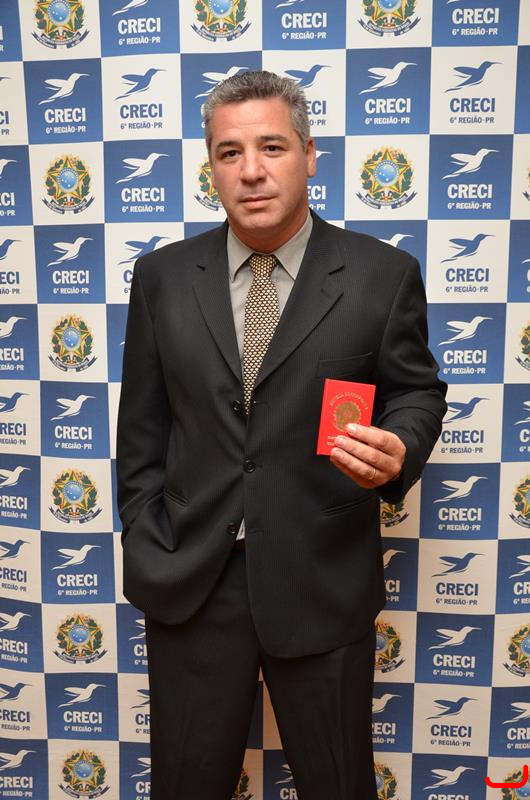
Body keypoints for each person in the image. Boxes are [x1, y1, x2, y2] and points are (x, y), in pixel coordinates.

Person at [116, 70, 447, 800]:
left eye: (271, 146)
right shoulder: (161, 277)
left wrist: (400, 447)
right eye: (229, 152)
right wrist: (145, 533)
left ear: (309, 154)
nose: (252, 170)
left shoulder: (381, 275)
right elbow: (141, 427)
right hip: (192, 582)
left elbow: (417, 391)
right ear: (211, 166)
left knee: (338, 783)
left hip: (321, 578)